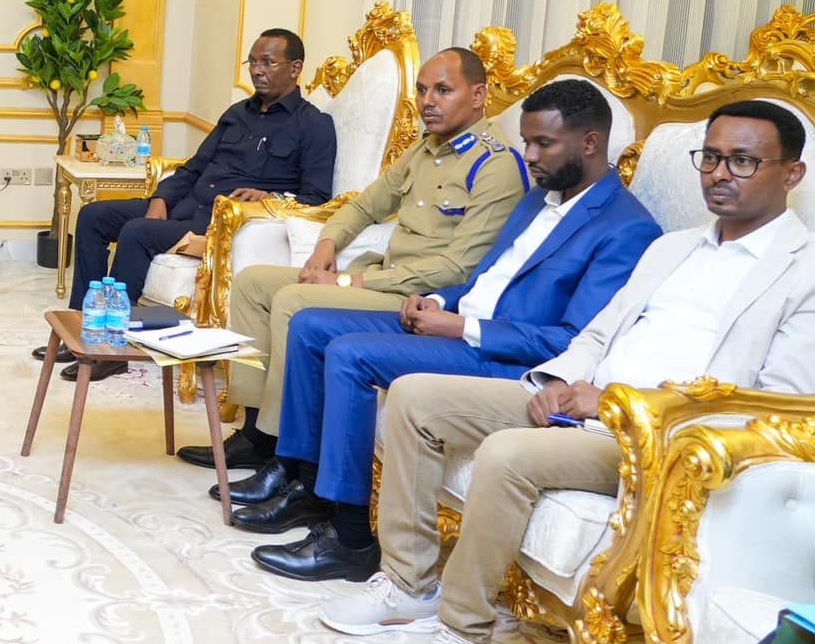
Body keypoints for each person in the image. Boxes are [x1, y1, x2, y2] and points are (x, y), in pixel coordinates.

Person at [325, 100, 815, 644]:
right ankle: (408, 584)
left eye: (742, 161)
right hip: (583, 400)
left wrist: (612, 401)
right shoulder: (674, 248)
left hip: (655, 439)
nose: (719, 174)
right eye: (710, 157)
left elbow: (773, 406)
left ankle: (463, 634)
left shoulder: (804, 272)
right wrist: (555, 380)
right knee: (414, 397)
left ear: (792, 173)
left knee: (507, 454)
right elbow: (598, 334)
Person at [241, 80, 661, 578]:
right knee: (311, 324)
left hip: (502, 356)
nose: (529, 156)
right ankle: (308, 487)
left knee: (351, 354)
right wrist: (439, 301)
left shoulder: (626, 228)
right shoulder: (538, 199)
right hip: (458, 324)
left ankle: (349, 537)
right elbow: (484, 276)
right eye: (527, 142)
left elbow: (571, 341)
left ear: (590, 143)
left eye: (543, 144)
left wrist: (464, 327)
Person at [186, 48, 528, 472]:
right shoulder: (424, 150)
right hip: (384, 278)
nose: (428, 101)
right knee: (254, 282)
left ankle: (281, 449)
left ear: (478, 95)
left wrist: (349, 283)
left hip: (423, 297)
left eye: (443, 91)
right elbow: (365, 205)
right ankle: (255, 433)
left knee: (294, 300)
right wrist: (326, 246)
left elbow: (459, 268)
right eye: (422, 90)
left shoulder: (496, 165)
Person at [39, 28, 336, 373]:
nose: (257, 71)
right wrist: (160, 198)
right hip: (184, 205)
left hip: (219, 224)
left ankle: (112, 350)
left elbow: (317, 197)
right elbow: (194, 167)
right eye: (252, 62)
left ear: (295, 68)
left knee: (137, 232)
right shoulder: (237, 113)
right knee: (93, 216)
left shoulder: (313, 125)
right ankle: (81, 330)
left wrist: (270, 197)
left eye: (268, 63)